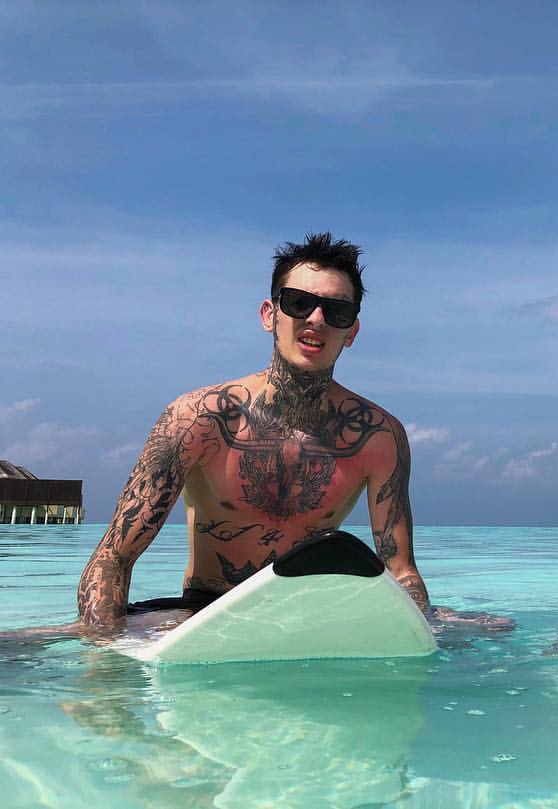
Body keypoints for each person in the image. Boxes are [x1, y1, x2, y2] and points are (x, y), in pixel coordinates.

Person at [76, 232, 432, 631]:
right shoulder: (197, 419)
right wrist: (104, 648)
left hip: (306, 614)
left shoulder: (378, 436)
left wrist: (419, 631)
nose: (317, 319)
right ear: (269, 315)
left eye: (337, 311)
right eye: (299, 303)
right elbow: (113, 557)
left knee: (480, 629)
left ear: (351, 331)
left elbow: (401, 572)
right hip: (204, 611)